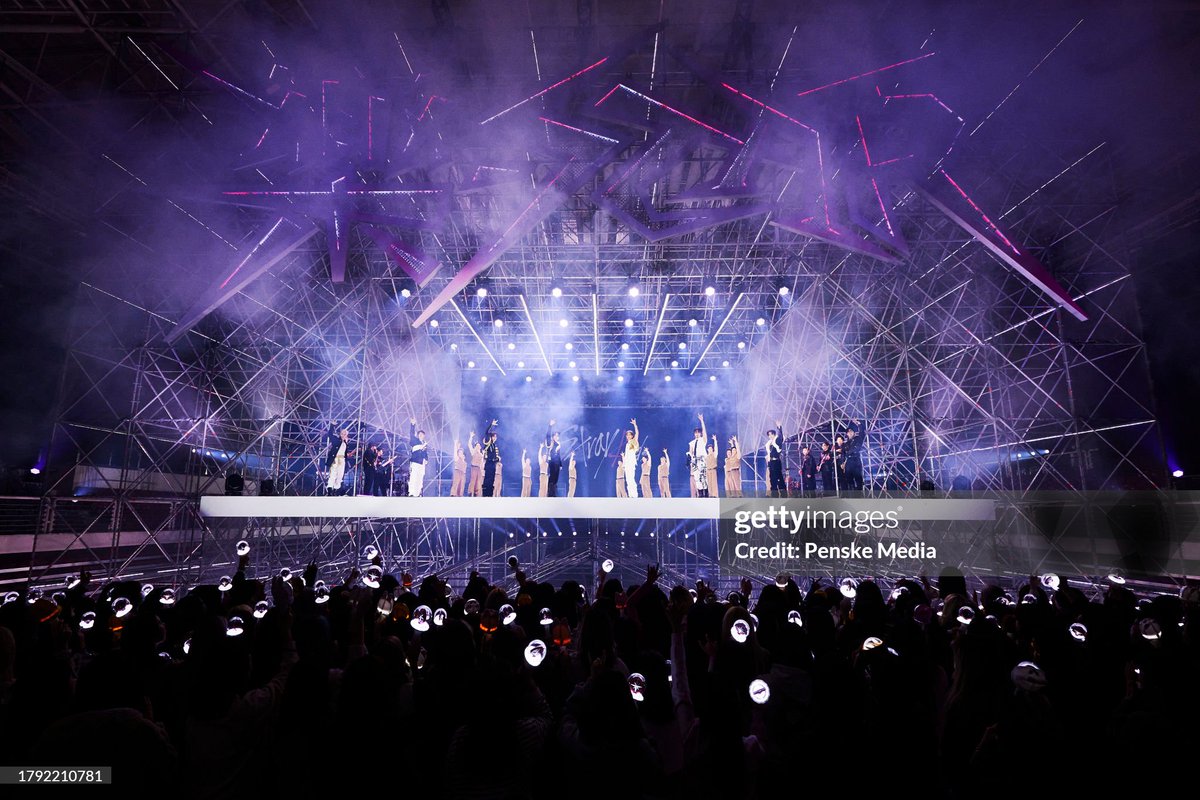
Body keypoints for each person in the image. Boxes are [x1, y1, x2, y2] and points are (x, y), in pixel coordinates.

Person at [325, 426, 356, 495]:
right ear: (340, 434)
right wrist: (332, 426)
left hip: (342, 460)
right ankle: (330, 490)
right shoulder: (336, 440)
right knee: (333, 474)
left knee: (340, 475)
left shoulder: (345, 443)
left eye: (345, 434)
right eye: (342, 433)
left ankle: (335, 490)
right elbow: (330, 434)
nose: (344, 435)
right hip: (335, 459)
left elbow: (345, 453)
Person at [688, 414, 708, 497]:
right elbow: (690, 453)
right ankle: (700, 494)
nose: (697, 434)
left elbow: (704, 432)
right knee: (697, 478)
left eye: (698, 433)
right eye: (695, 433)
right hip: (695, 461)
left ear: (700, 434)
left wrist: (702, 421)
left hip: (702, 460)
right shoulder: (692, 443)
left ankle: (706, 492)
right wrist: (690, 462)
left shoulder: (702, 440)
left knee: (703, 477)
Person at [407, 418, 429, 497]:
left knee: (420, 478)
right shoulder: (414, 441)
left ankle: (417, 493)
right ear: (418, 435)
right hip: (415, 462)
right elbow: (411, 434)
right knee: (413, 477)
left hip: (422, 463)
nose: (421, 435)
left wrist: (426, 459)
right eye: (420, 434)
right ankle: (411, 493)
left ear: (424, 436)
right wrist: (413, 425)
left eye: (422, 434)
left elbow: (425, 453)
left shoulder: (425, 444)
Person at [766, 420, 785, 497]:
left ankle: (783, 493)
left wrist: (779, 428)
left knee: (779, 477)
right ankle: (774, 493)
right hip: (771, 462)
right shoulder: (769, 443)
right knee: (772, 478)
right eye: (769, 435)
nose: (770, 436)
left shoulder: (777, 440)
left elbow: (781, 437)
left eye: (771, 434)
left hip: (776, 461)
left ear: (774, 434)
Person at [622, 418, 640, 498]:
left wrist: (635, 425)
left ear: (632, 436)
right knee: (628, 479)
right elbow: (627, 455)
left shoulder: (633, 441)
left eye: (630, 435)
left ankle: (635, 495)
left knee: (631, 479)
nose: (628, 436)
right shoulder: (627, 444)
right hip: (627, 463)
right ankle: (630, 495)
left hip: (631, 463)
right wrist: (624, 462)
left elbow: (637, 434)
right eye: (627, 435)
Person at [482, 421, 500, 497]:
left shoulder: (494, 445)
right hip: (489, 464)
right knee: (487, 479)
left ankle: (490, 494)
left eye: (496, 437)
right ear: (491, 437)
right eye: (494, 436)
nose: (495, 438)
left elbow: (494, 456)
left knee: (492, 479)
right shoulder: (488, 442)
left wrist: (497, 459)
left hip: (493, 465)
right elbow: (486, 432)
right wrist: (491, 425)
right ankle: (485, 494)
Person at [545, 420, 563, 497]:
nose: (557, 437)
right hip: (552, 462)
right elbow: (547, 436)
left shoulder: (558, 444)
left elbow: (559, 455)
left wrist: (560, 464)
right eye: (555, 435)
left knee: (556, 478)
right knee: (552, 477)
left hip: (557, 463)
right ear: (553, 437)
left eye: (558, 436)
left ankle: (553, 493)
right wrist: (550, 426)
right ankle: (550, 493)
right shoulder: (551, 442)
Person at [843, 426, 864, 491]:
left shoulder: (858, 439)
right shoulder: (846, 444)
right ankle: (852, 494)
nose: (850, 433)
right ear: (847, 434)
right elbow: (843, 454)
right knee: (849, 479)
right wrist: (842, 462)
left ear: (854, 432)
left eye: (851, 431)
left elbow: (862, 433)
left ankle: (859, 494)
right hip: (849, 462)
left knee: (858, 479)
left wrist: (860, 425)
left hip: (856, 460)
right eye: (848, 432)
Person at [468, 432, 484, 497]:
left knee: (478, 482)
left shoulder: (481, 454)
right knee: (473, 480)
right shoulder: (473, 452)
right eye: (477, 446)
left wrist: (482, 471)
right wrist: (471, 437)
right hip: (474, 467)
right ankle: (470, 493)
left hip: (478, 468)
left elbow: (482, 463)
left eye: (479, 446)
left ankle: (475, 493)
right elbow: (469, 445)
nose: (478, 446)